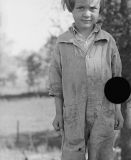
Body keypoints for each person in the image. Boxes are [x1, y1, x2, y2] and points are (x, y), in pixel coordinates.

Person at [48, 0, 124, 160]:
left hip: (104, 111)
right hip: (72, 113)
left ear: (99, 10)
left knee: (102, 154)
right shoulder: (62, 42)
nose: (87, 13)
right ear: (71, 9)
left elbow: (116, 80)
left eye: (93, 8)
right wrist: (58, 114)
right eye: (81, 8)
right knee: (72, 154)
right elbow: (56, 82)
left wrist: (118, 111)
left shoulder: (108, 41)